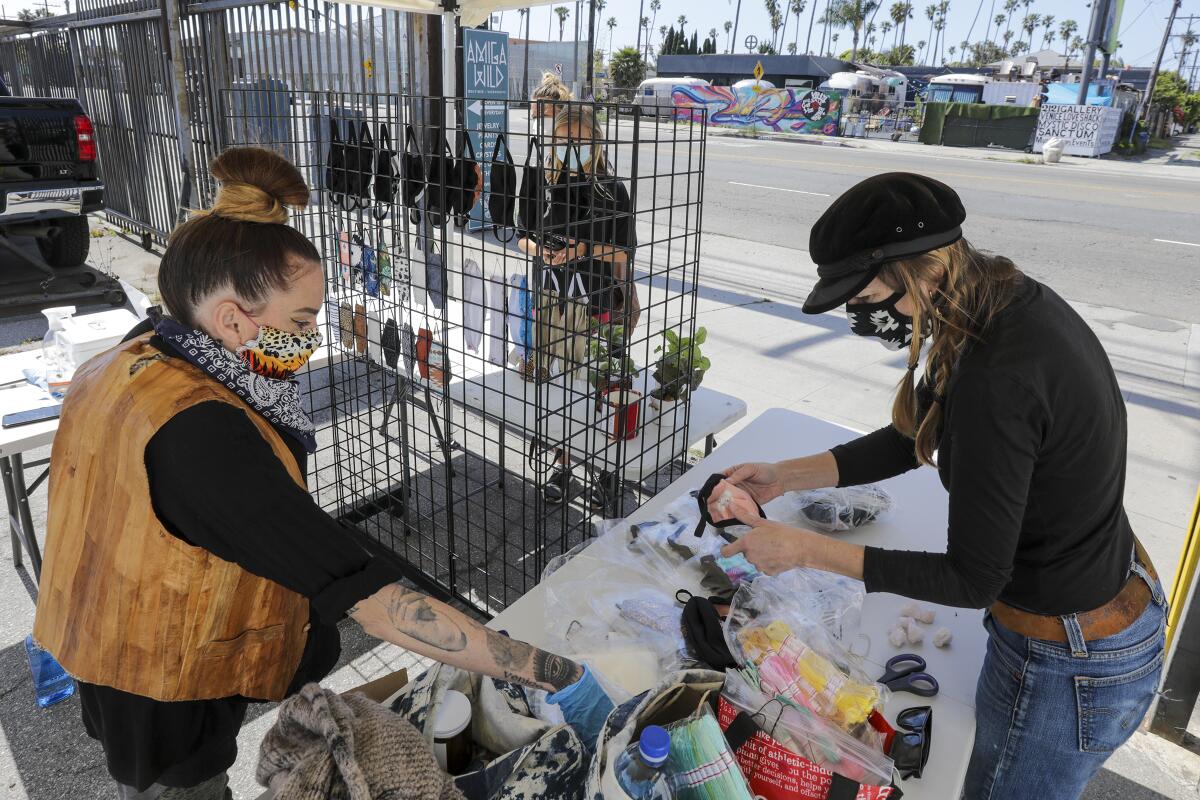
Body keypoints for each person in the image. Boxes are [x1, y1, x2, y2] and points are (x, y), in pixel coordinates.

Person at [32, 147, 612, 800]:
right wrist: (548, 670)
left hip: (105, 628)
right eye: (303, 322)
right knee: (192, 787)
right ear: (231, 319)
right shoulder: (204, 435)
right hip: (159, 677)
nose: (311, 341)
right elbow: (379, 603)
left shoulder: (143, 351)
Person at [710, 172, 1167, 800]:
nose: (865, 312)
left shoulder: (997, 374)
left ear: (917, 270)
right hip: (1092, 611)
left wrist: (802, 550)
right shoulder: (998, 301)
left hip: (1071, 659)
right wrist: (785, 475)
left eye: (868, 292)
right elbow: (910, 436)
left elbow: (972, 578)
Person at [517, 104, 639, 509]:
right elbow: (521, 235)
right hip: (553, 300)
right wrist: (541, 249)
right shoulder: (545, 184)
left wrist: (584, 250)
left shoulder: (612, 190)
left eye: (579, 142)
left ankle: (605, 470)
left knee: (599, 387)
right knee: (561, 386)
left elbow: (622, 254)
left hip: (597, 303)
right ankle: (563, 465)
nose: (570, 148)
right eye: (563, 141)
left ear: (596, 143)